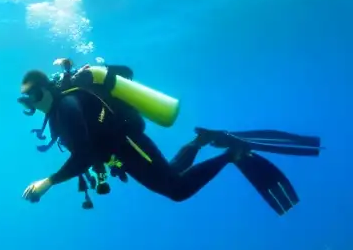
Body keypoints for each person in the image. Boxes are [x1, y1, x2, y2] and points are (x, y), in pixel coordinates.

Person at [18, 61, 321, 215]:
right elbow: (86, 151)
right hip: (121, 151)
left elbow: (83, 155)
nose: (27, 105)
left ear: (42, 91)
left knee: (175, 189)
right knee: (172, 174)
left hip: (127, 145)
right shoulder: (57, 111)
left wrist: (49, 182)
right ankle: (200, 141)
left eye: (28, 98)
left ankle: (233, 155)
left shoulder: (67, 106)